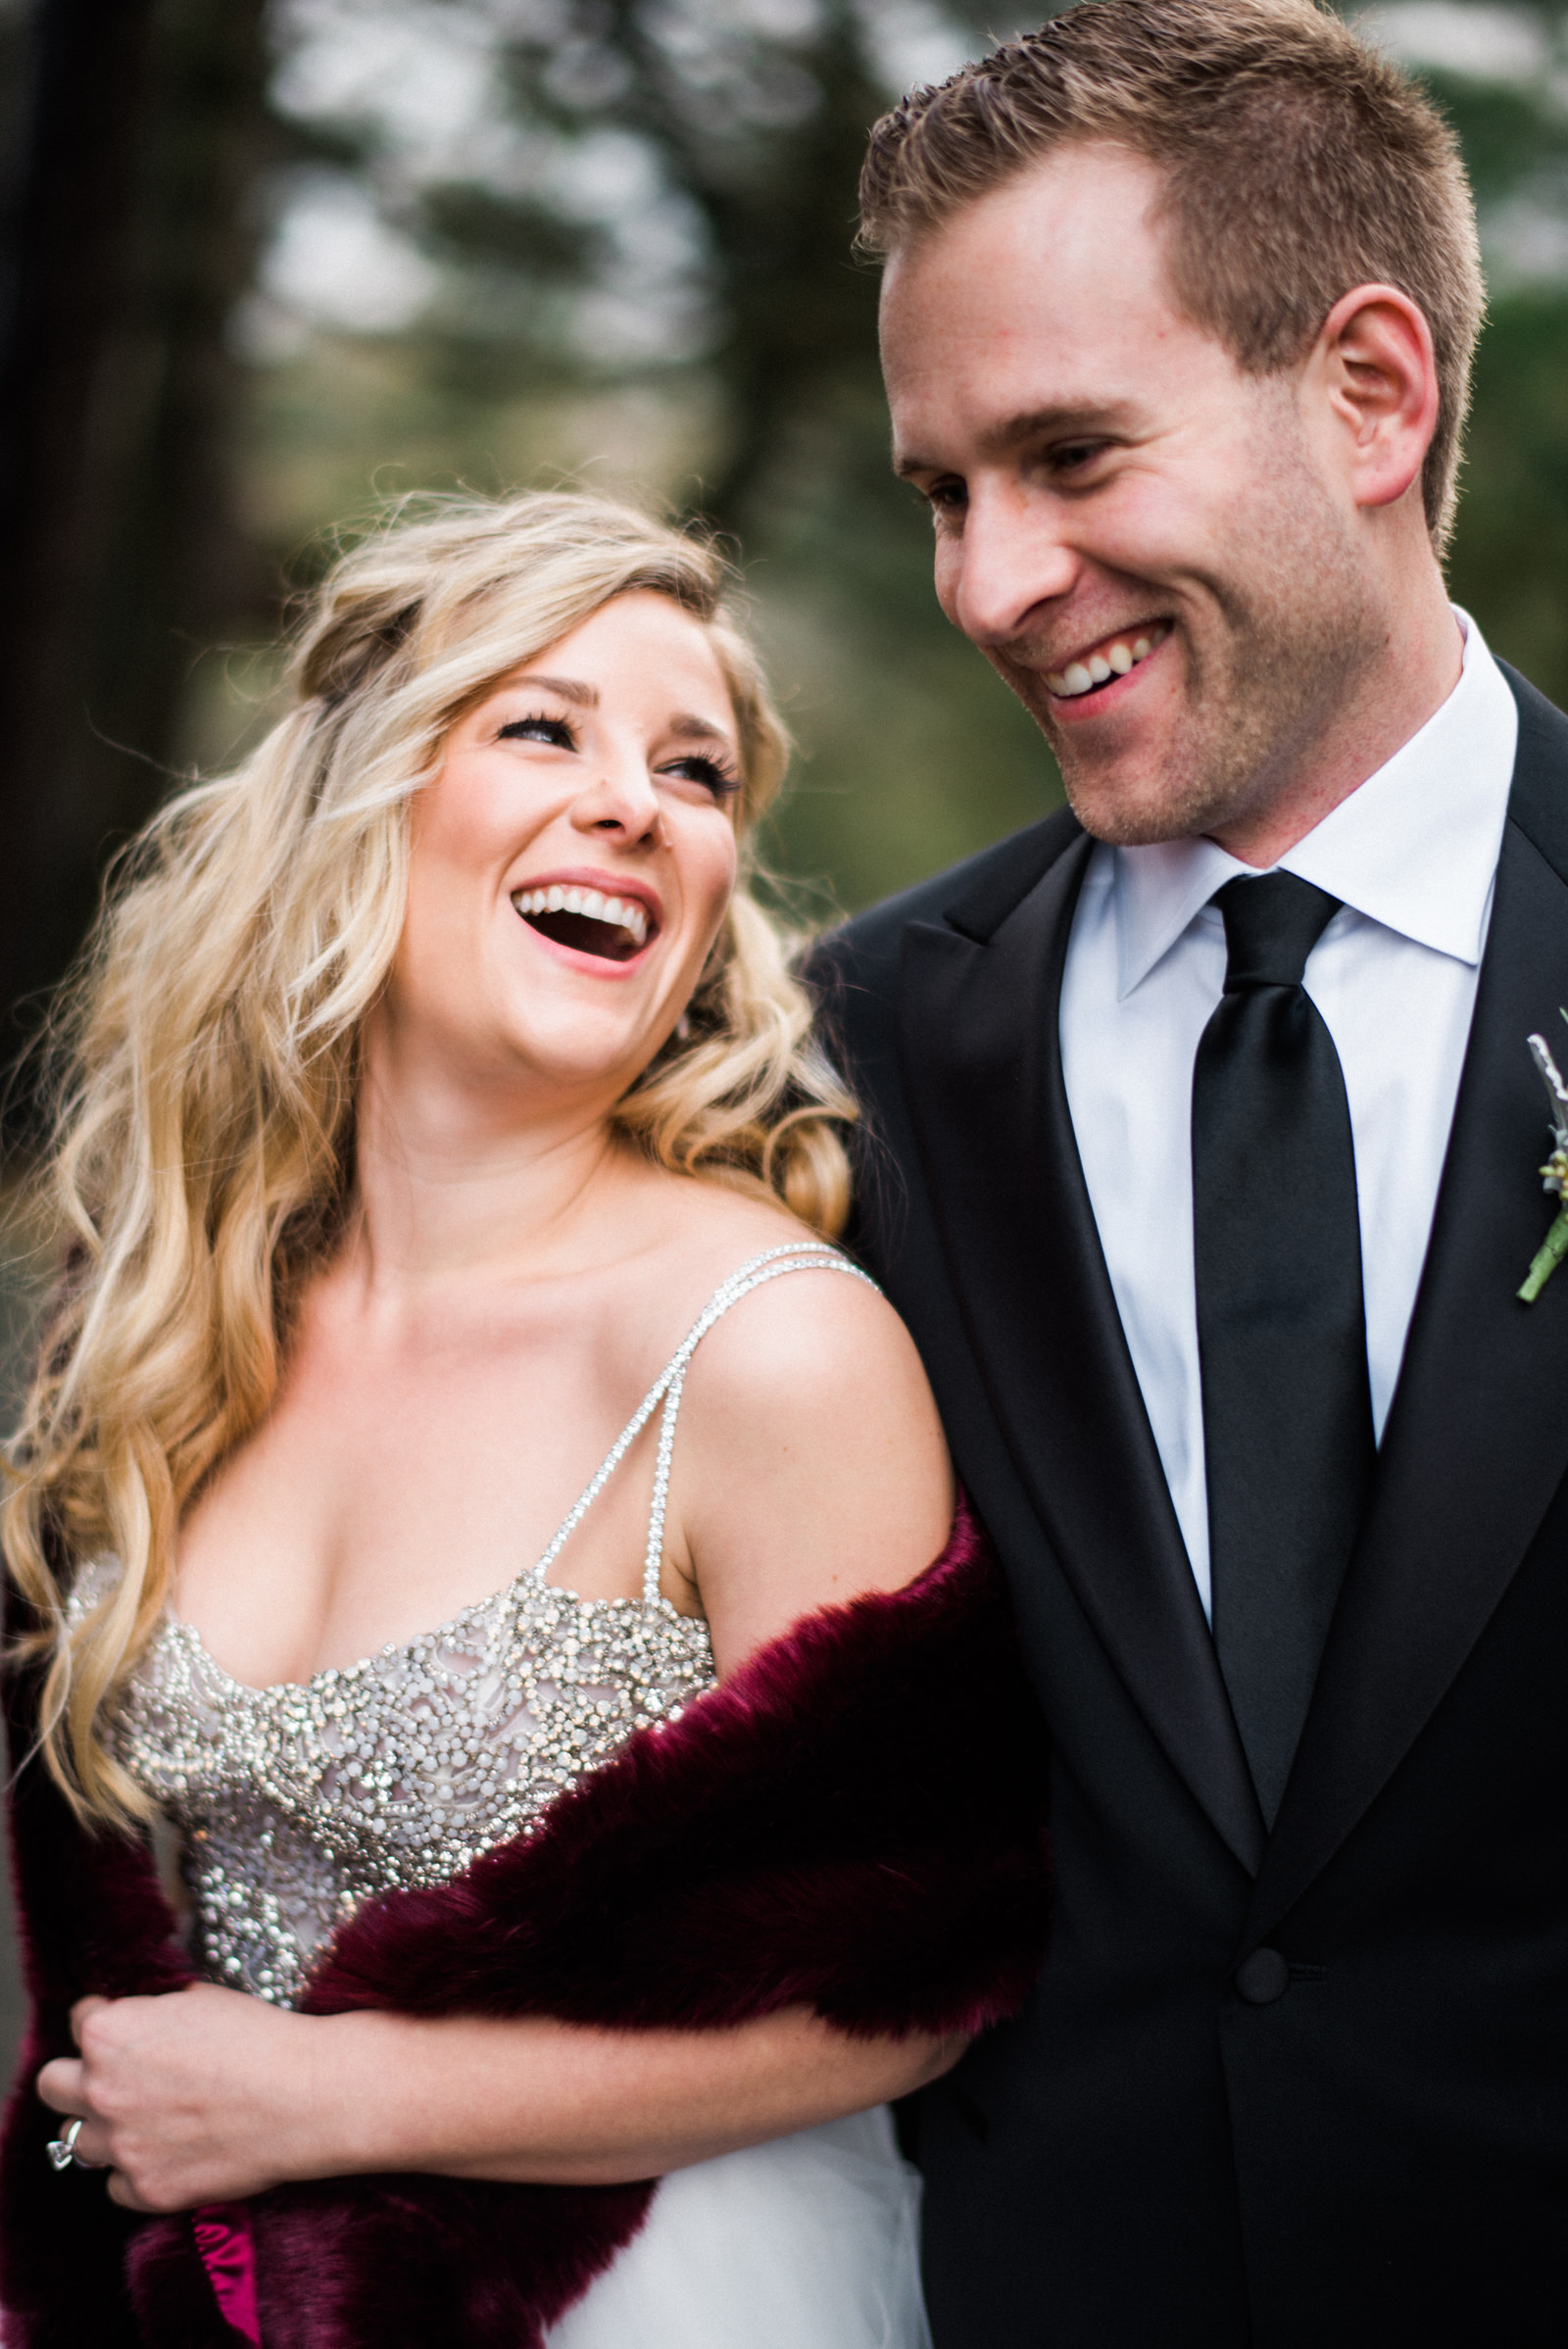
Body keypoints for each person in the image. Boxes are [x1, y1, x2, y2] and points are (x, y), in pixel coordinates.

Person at [0, 491, 1050, 2346]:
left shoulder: (767, 1349)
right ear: (365, 794)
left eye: (698, 770)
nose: (636, 803)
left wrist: (325, 2100)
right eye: (543, 726)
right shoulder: (173, 1325)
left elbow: (917, 1978)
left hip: (647, 2292)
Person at [808, 3, 1568, 2341]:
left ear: (1369, 391)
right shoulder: (847, 1052)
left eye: (1063, 455)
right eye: (943, 489)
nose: (988, 578)